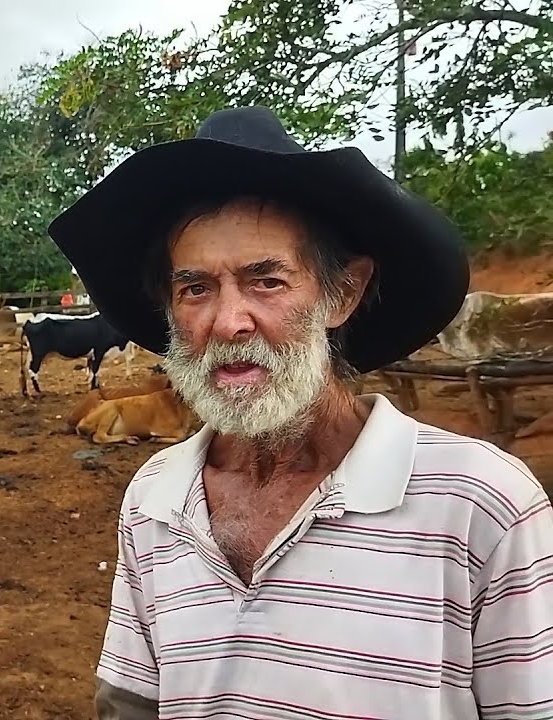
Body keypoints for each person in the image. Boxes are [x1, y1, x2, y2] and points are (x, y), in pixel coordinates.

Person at [47, 106, 553, 719]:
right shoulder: (154, 497)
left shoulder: (481, 504)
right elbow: (131, 706)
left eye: (266, 282)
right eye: (195, 289)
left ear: (342, 294)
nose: (228, 323)